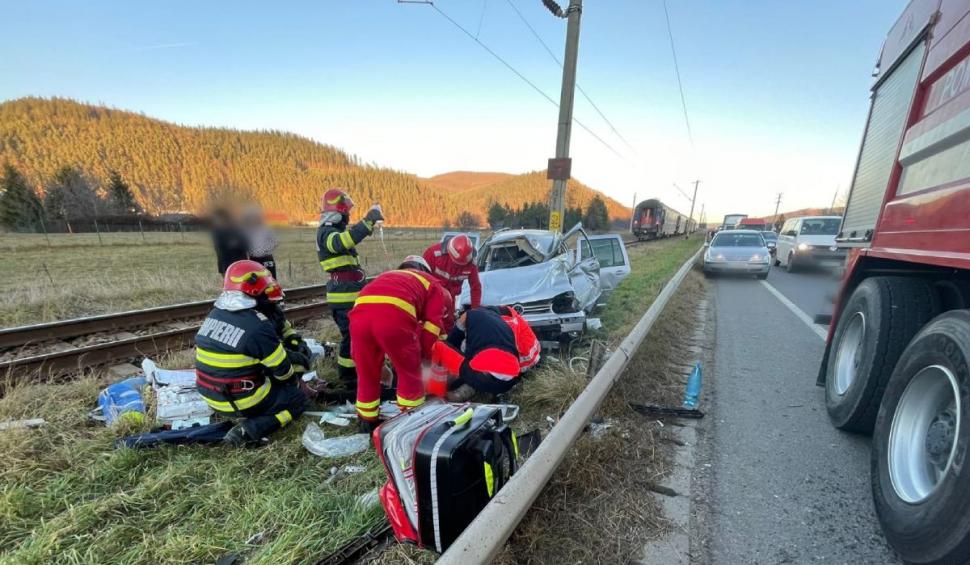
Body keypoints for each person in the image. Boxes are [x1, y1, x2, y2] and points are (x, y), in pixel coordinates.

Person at [194, 260, 311, 446]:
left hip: (210, 395)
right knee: (298, 400)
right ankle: (250, 429)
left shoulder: (216, 313)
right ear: (255, 292)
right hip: (241, 400)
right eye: (268, 292)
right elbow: (284, 373)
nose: (271, 299)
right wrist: (296, 379)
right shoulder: (258, 326)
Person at [349, 255, 452, 424]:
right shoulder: (434, 284)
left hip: (358, 318)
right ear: (426, 270)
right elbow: (432, 327)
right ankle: (412, 419)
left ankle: (367, 421)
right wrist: (422, 357)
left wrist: (379, 364)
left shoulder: (389, 276)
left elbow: (373, 313)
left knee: (367, 373)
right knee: (409, 373)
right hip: (392, 318)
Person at [315, 188, 384, 391]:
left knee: (357, 336)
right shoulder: (327, 231)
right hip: (343, 295)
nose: (349, 214)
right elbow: (341, 243)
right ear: (340, 209)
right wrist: (367, 221)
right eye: (348, 210)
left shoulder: (335, 230)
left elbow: (348, 237)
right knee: (351, 338)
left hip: (350, 293)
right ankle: (347, 378)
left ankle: (357, 371)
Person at [432, 305, 540, 402]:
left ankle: (438, 393)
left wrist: (449, 384)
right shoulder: (503, 324)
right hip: (511, 381)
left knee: (441, 347)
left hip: (491, 376)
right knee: (474, 368)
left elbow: (456, 341)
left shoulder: (469, 316)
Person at [422, 233, 482, 310]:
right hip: (431, 297)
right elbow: (422, 280)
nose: (458, 266)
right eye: (455, 263)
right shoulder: (433, 254)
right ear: (449, 252)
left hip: (450, 300)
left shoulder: (471, 264)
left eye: (461, 265)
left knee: (449, 321)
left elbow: (475, 287)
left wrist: (475, 310)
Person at [241, 205, 280, 278]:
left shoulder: (266, 229)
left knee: (270, 279)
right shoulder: (245, 231)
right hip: (253, 259)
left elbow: (275, 242)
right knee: (256, 281)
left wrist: (264, 250)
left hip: (267, 259)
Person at [210, 207, 249, 275]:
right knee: (229, 283)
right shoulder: (216, 231)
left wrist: (235, 244)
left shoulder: (238, 229)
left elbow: (246, 245)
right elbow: (219, 246)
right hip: (226, 264)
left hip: (241, 263)